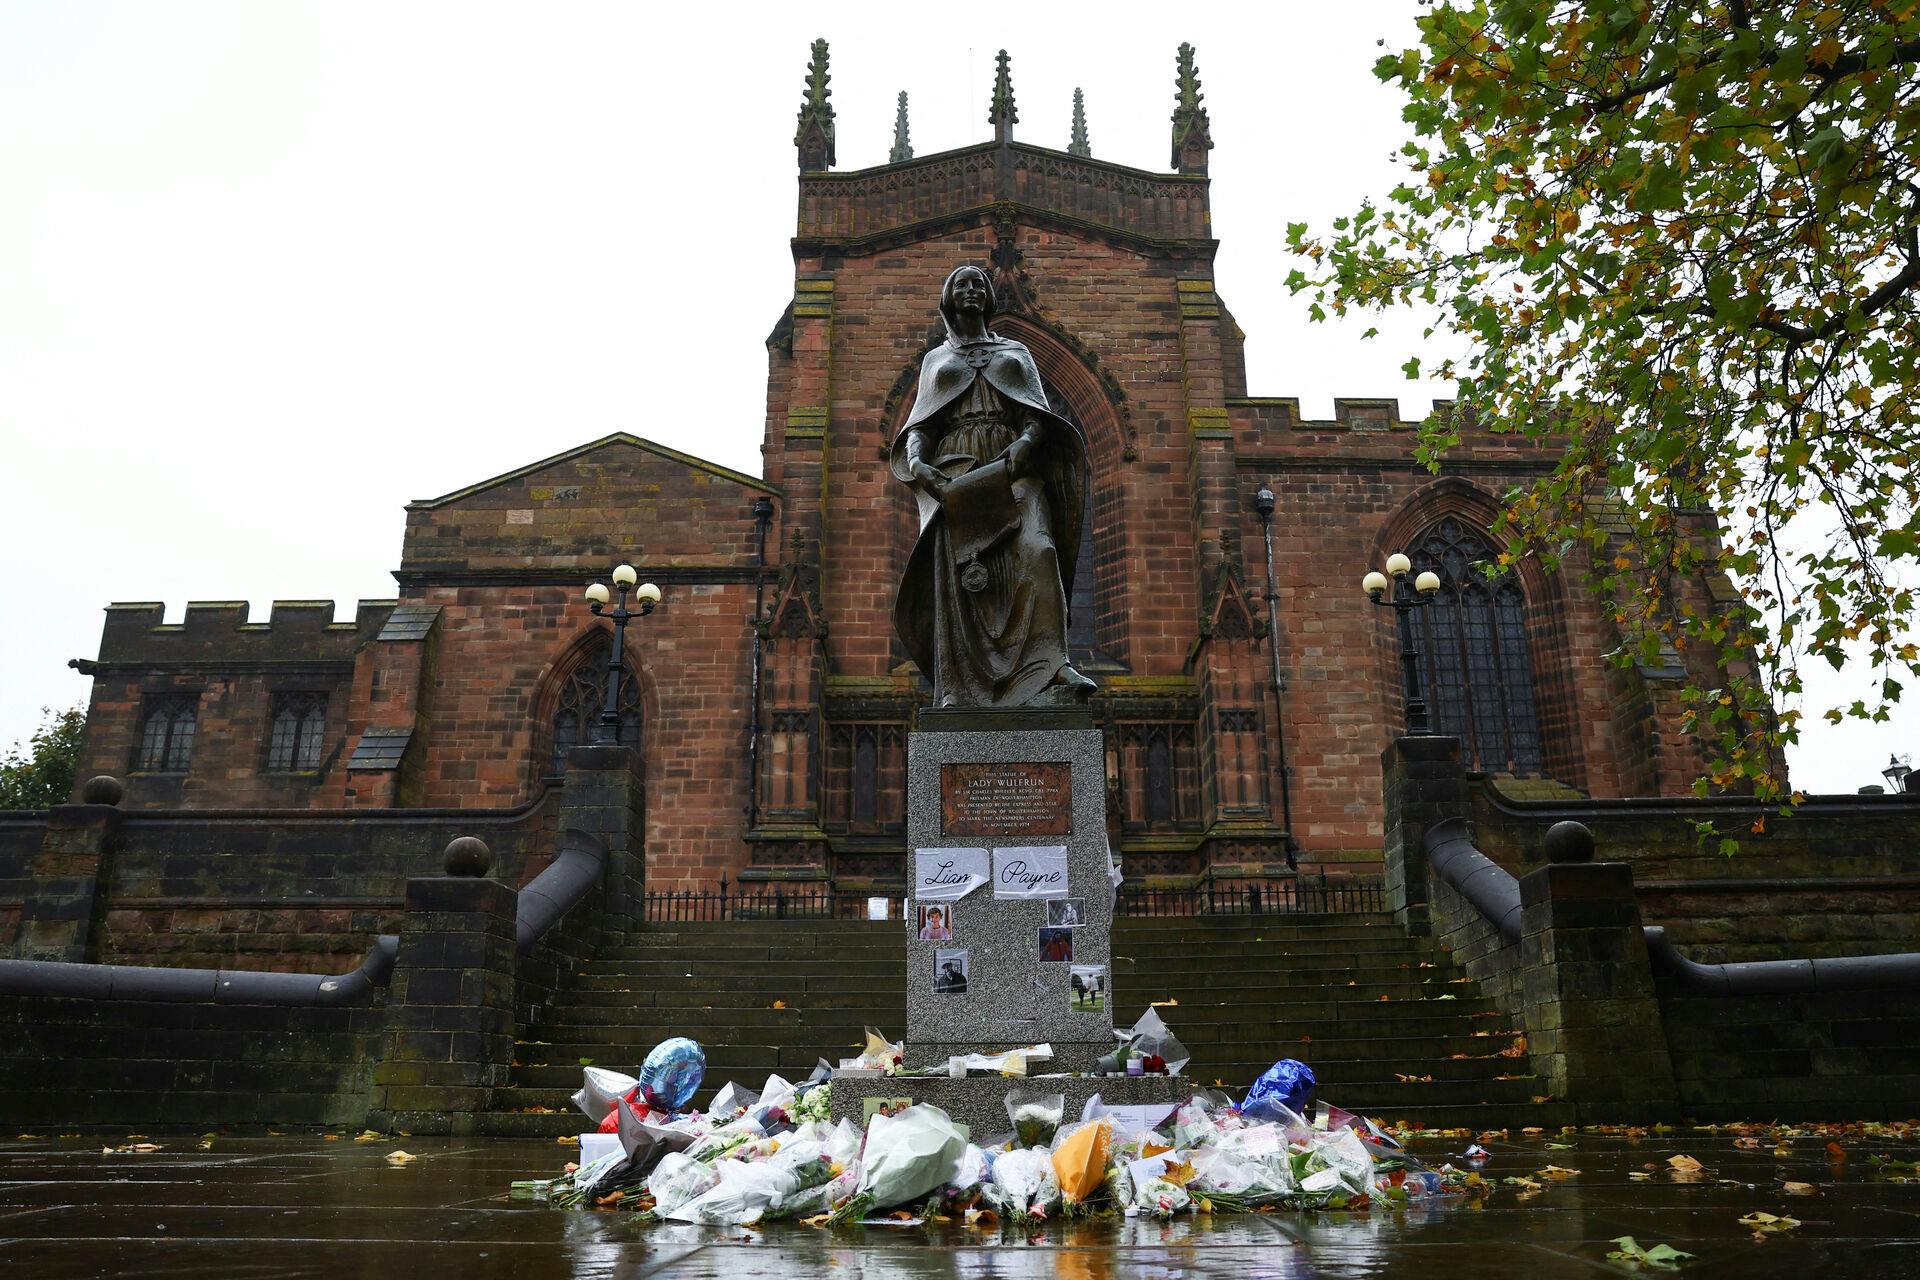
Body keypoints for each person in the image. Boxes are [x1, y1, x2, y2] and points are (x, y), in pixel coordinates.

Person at [890, 265, 1097, 708]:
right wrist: (916, 464)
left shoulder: (1016, 351)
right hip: (958, 472)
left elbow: (1037, 414)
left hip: (1011, 466)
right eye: (961, 284)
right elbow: (920, 425)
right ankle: (958, 688)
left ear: (989, 298)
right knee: (964, 581)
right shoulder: (936, 360)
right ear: (948, 297)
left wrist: (1026, 441)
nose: (971, 289)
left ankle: (1052, 666)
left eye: (978, 283)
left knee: (1039, 550)